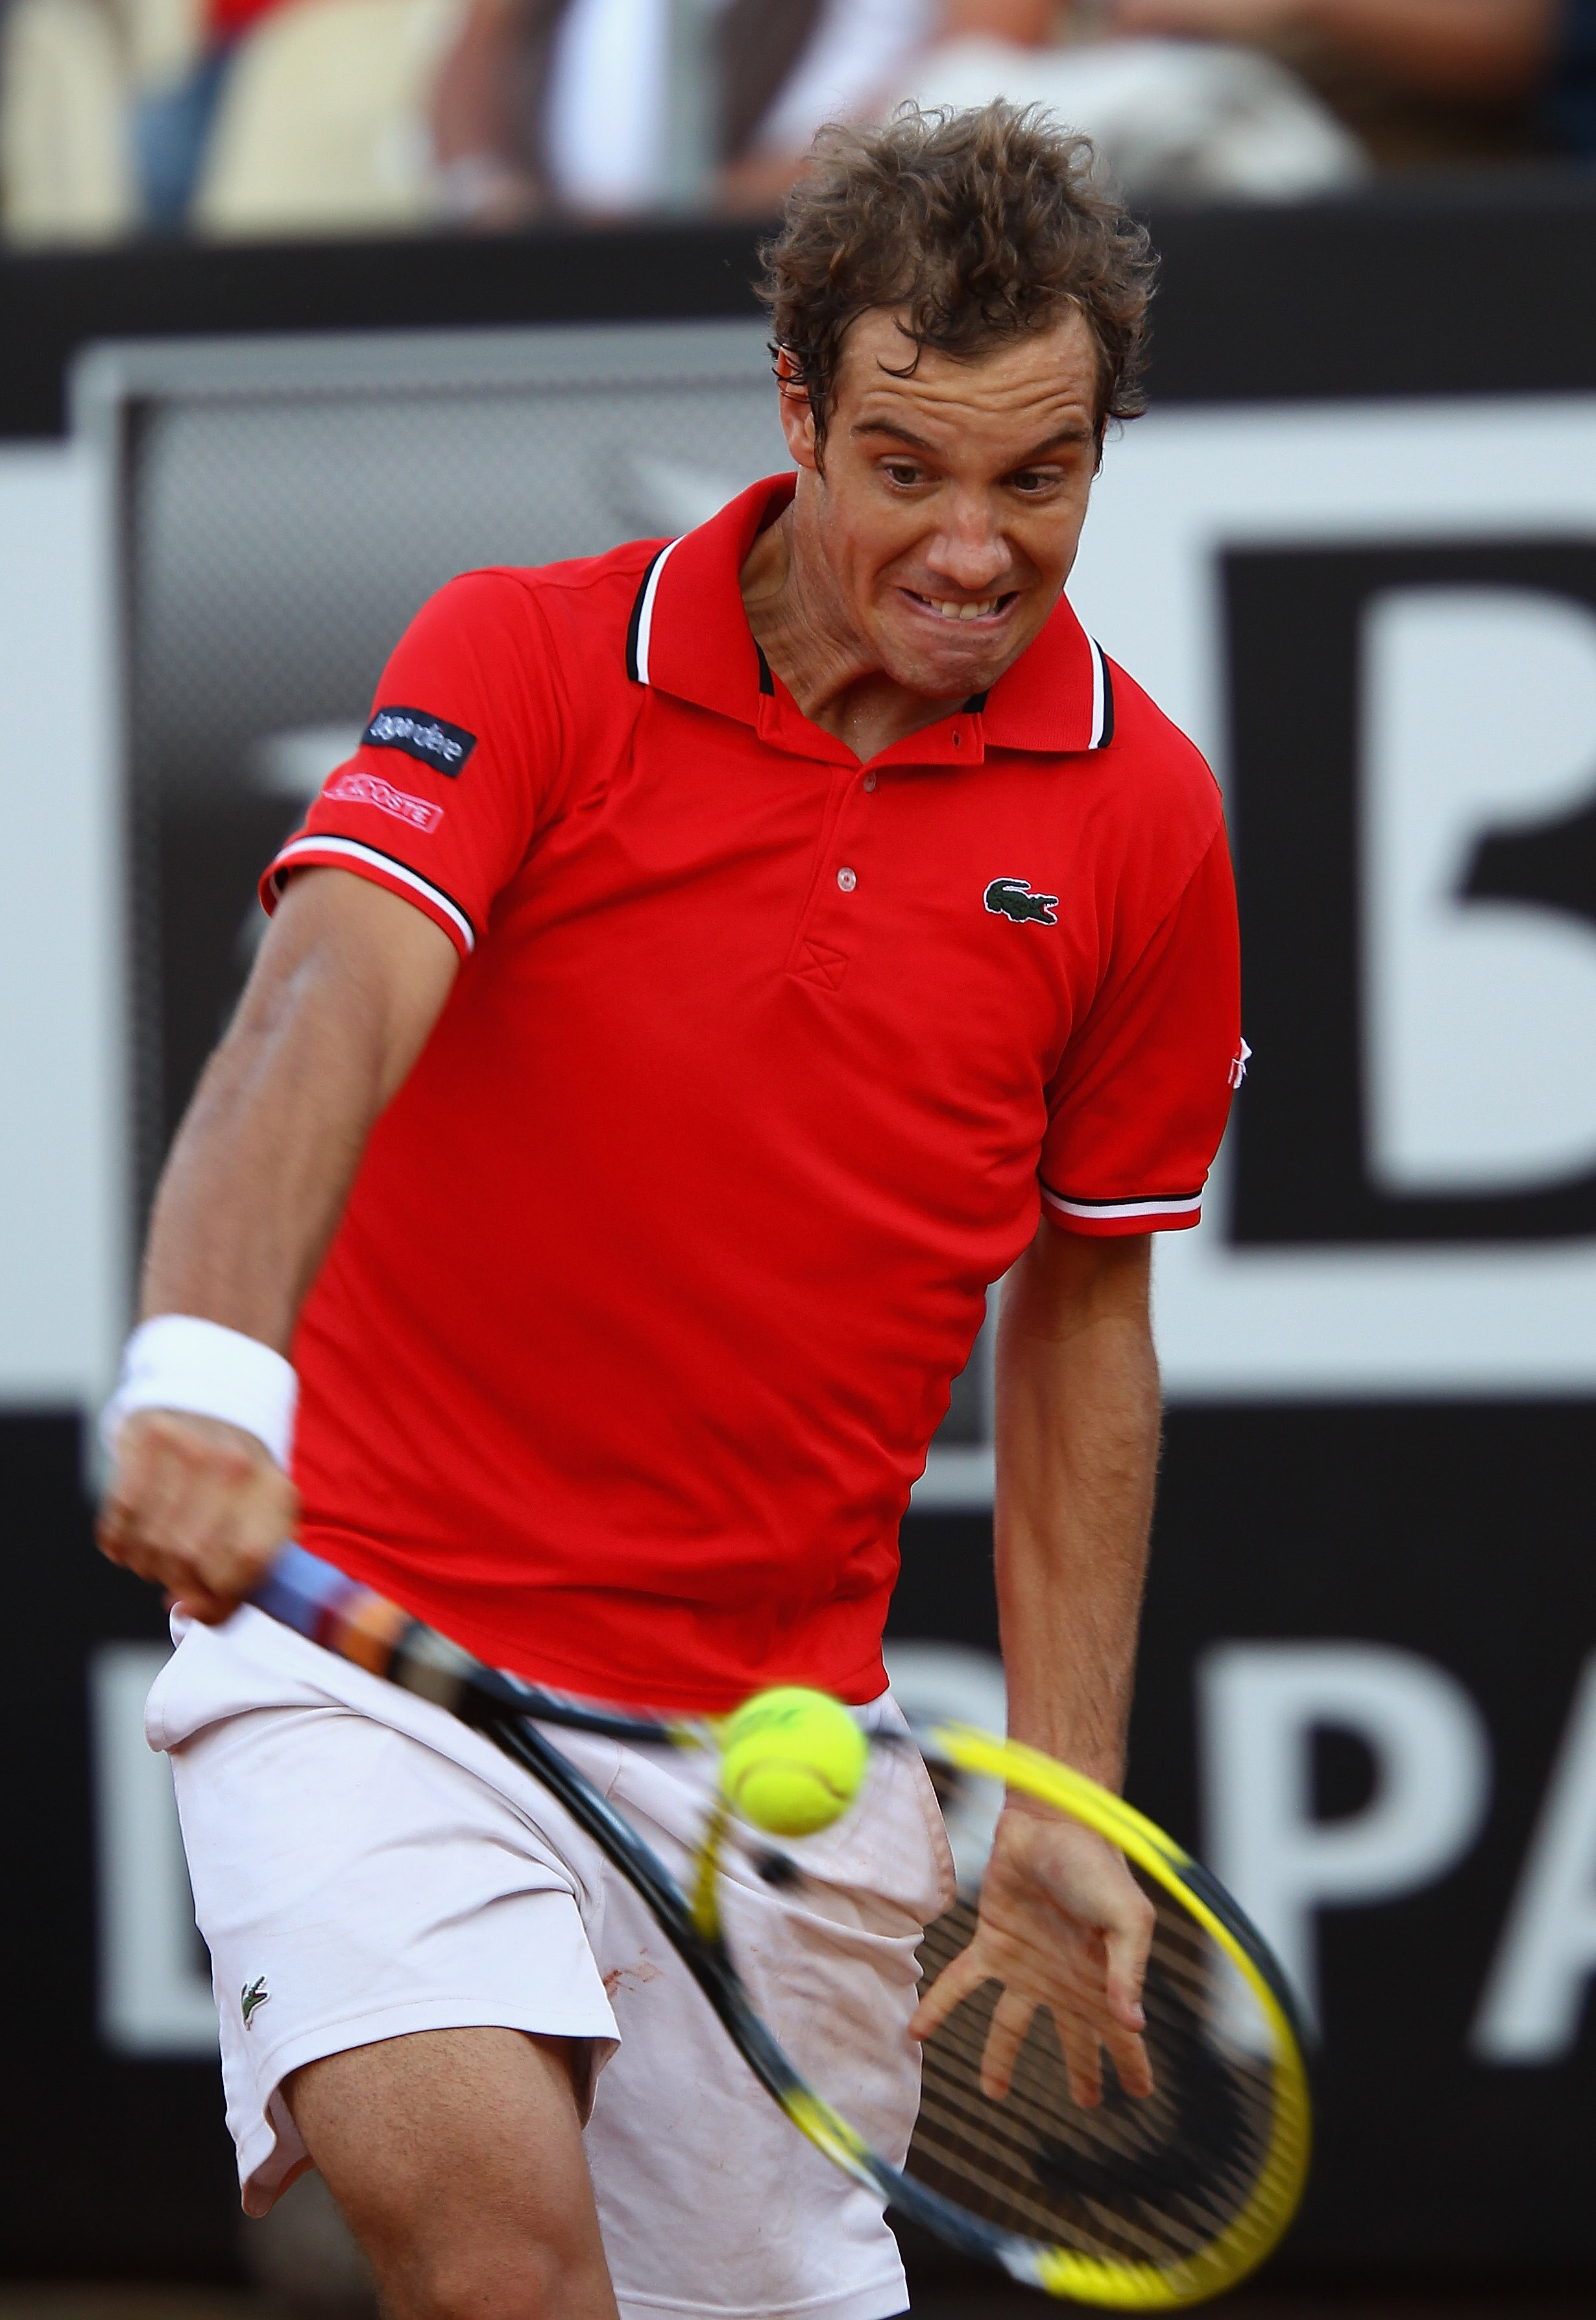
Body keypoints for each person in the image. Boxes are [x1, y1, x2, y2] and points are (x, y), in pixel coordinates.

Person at [98, 101, 1242, 2320]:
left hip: (773, 1750)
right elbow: (322, 1002)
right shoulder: (526, 657)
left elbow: (1086, 1311)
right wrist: (208, 1366)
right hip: (367, 1654)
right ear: (796, 412)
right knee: (499, 2266)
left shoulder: (1145, 819)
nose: (974, 548)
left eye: (1041, 476)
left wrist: (1066, 1811)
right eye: (907, 465)